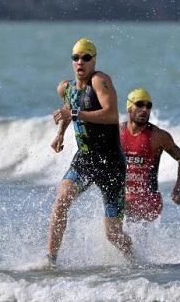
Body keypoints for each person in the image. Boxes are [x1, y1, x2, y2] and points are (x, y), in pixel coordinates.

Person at [47, 38, 133, 266]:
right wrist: (60, 134)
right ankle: (50, 260)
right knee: (61, 201)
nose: (80, 62)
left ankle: (135, 261)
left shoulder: (99, 81)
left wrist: (75, 114)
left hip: (111, 164)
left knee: (113, 234)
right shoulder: (65, 88)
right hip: (85, 159)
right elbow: (68, 109)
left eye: (86, 57)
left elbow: (111, 115)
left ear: (94, 60)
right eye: (76, 58)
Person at [120, 88, 180, 222]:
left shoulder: (158, 136)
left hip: (149, 201)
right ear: (129, 107)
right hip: (124, 198)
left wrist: (177, 190)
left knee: (118, 209)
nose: (145, 110)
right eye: (140, 104)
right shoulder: (116, 133)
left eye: (148, 106)